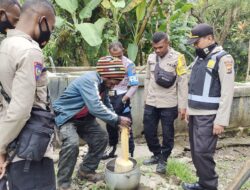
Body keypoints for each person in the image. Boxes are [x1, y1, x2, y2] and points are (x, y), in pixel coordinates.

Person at [0, 0, 56, 189]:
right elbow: (21, 110)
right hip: (30, 151)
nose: (51, 32)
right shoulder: (30, 50)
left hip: (12, 143)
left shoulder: (5, 46)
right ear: (42, 20)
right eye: (51, 27)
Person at [53, 56, 131, 190]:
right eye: (114, 80)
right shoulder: (90, 81)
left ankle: (86, 171)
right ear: (106, 75)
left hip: (84, 118)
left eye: (117, 82)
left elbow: (106, 104)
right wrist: (117, 119)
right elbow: (95, 107)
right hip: (67, 117)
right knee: (72, 144)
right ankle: (63, 184)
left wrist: (116, 121)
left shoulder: (103, 84)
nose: (114, 84)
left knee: (101, 138)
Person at [182, 23, 235, 190]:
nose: (195, 46)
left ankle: (210, 186)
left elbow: (227, 93)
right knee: (196, 153)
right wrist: (189, 110)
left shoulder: (224, 58)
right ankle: (203, 184)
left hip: (210, 116)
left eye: (197, 42)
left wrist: (221, 121)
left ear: (210, 38)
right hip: (195, 114)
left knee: (203, 153)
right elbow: (193, 86)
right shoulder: (200, 57)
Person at [143, 32, 188, 174]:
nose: (157, 50)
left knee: (168, 133)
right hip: (151, 101)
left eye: (160, 47)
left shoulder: (178, 58)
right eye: (155, 47)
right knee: (149, 131)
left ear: (168, 43)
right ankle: (156, 154)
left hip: (169, 103)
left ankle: (164, 159)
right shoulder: (151, 57)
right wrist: (145, 98)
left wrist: (182, 106)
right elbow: (147, 78)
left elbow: (182, 82)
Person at [102, 41, 139, 159]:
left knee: (126, 124)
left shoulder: (129, 64)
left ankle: (129, 152)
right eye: (114, 56)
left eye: (119, 55)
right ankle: (111, 149)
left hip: (122, 96)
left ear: (123, 50)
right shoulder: (106, 63)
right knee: (110, 124)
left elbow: (134, 84)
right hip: (109, 97)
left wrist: (124, 99)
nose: (117, 58)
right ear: (109, 53)